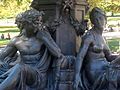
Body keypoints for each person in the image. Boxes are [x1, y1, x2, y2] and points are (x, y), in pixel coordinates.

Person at [0, 9, 63, 90]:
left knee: (20, 68)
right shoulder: (16, 41)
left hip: (38, 76)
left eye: (40, 22)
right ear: (25, 23)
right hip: (21, 71)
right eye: (35, 23)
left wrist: (44, 39)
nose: (39, 25)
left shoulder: (43, 36)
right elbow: (1, 57)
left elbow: (58, 53)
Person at [74, 7, 118, 90]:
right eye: (95, 19)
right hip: (95, 72)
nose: (99, 21)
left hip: (106, 67)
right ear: (93, 21)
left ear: (106, 19)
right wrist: (76, 76)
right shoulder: (89, 37)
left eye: (101, 18)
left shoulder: (103, 38)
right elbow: (80, 57)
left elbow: (109, 57)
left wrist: (118, 57)